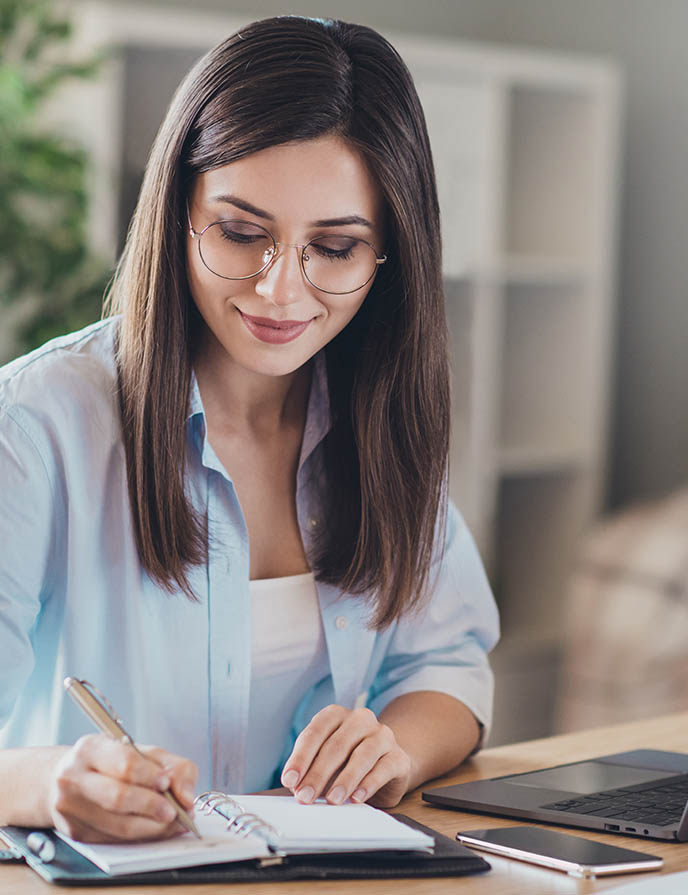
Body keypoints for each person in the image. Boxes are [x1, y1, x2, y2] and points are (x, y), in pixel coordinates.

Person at [0, 15, 499, 843]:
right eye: (241, 233)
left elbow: (448, 666)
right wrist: (55, 782)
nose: (280, 291)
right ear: (177, 213)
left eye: (334, 247)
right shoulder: (34, 426)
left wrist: (393, 747)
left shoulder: (380, 418)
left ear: (388, 256)